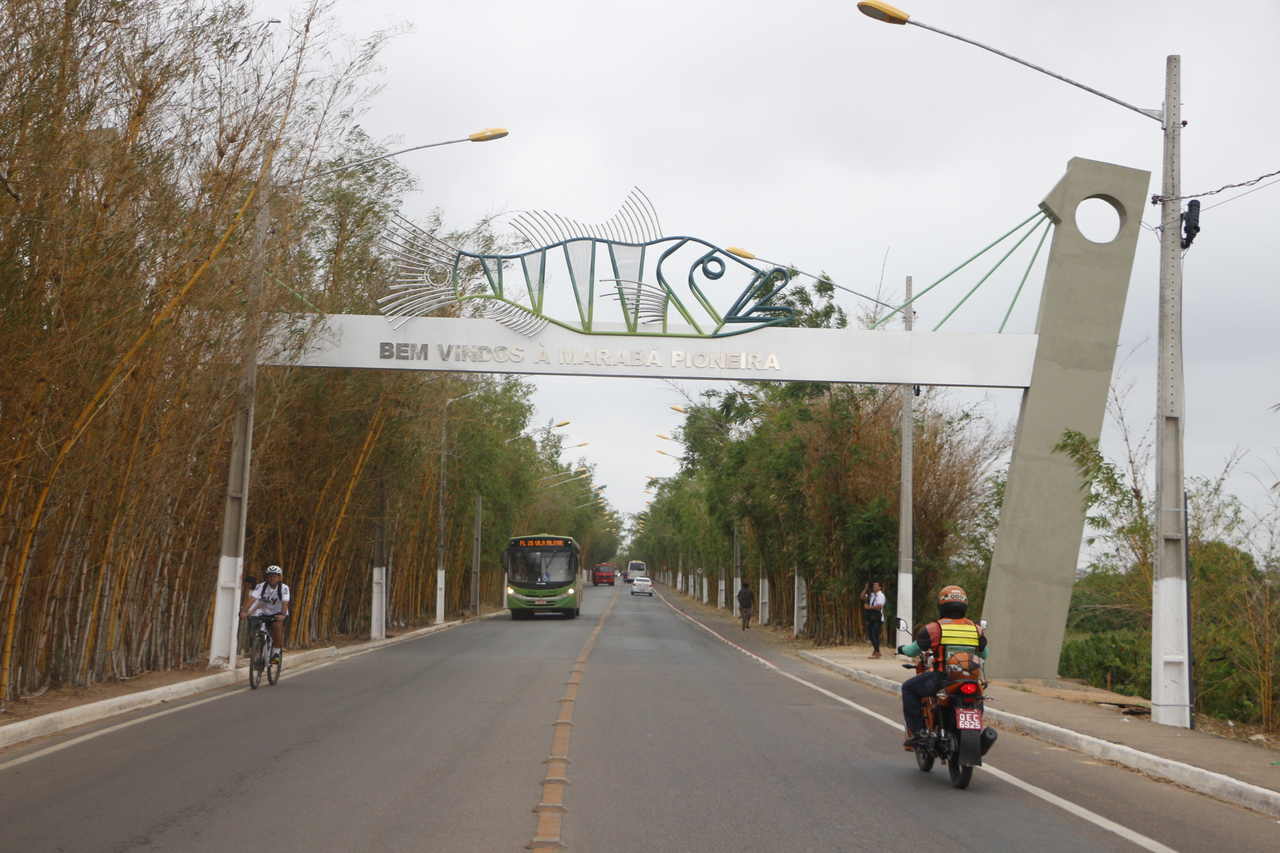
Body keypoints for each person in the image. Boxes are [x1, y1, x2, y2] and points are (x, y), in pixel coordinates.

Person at [896, 584, 986, 750]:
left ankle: (918, 733)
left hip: (942, 679)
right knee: (978, 699)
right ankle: (979, 735)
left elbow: (913, 650)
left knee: (908, 688)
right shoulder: (976, 629)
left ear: (941, 605)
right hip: (971, 679)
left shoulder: (935, 628)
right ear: (964, 606)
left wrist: (902, 649)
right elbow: (984, 655)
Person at [241, 564, 290, 662]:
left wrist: (283, 615)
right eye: (270, 576)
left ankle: (276, 652)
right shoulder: (261, 586)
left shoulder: (284, 588)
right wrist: (244, 611)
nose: (272, 578)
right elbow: (252, 599)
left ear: (279, 577)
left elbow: (285, 603)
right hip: (263, 613)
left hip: (278, 613)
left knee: (276, 627)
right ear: (267, 577)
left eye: (275, 576)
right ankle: (257, 650)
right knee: (254, 628)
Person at [862, 581, 885, 658]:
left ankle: (877, 652)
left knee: (875, 634)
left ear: (880, 587)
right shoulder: (871, 595)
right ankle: (876, 651)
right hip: (871, 617)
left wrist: (869, 607)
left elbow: (879, 606)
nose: (874, 587)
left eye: (876, 586)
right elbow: (862, 597)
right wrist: (865, 589)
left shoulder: (881, 595)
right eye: (873, 586)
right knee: (871, 635)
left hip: (877, 617)